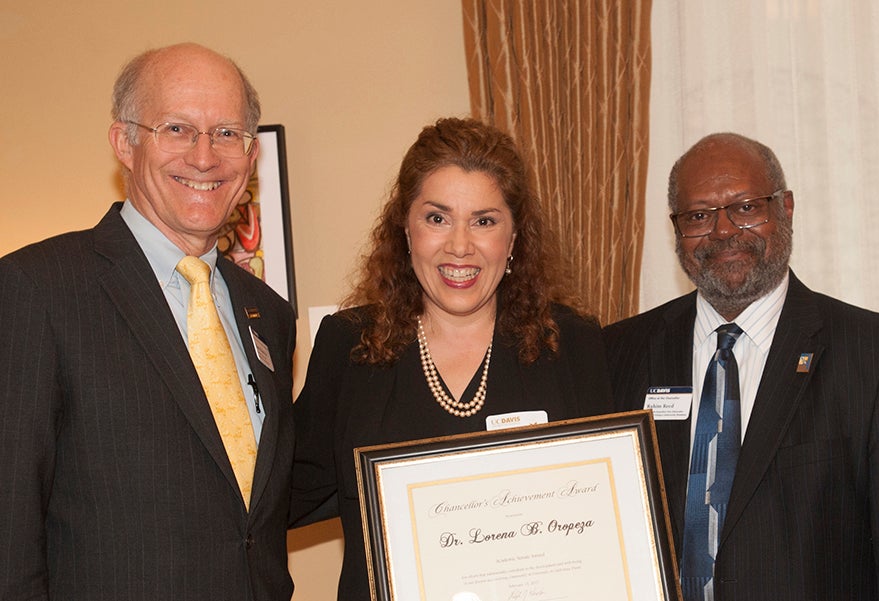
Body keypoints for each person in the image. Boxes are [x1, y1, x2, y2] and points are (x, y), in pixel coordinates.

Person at [0, 43, 297, 600]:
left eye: (227, 133)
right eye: (178, 129)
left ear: (251, 155)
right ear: (125, 144)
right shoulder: (37, 290)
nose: (205, 157)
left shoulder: (270, 316)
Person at [291, 117, 614, 599]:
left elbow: (607, 519)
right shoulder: (349, 345)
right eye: (437, 218)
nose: (459, 246)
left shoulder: (572, 345)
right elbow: (282, 493)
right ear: (405, 227)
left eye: (484, 221)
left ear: (514, 238)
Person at [603, 132, 879, 600]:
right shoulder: (618, 353)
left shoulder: (878, 353)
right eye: (699, 215)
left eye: (745, 207)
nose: (722, 231)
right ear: (677, 229)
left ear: (785, 208)